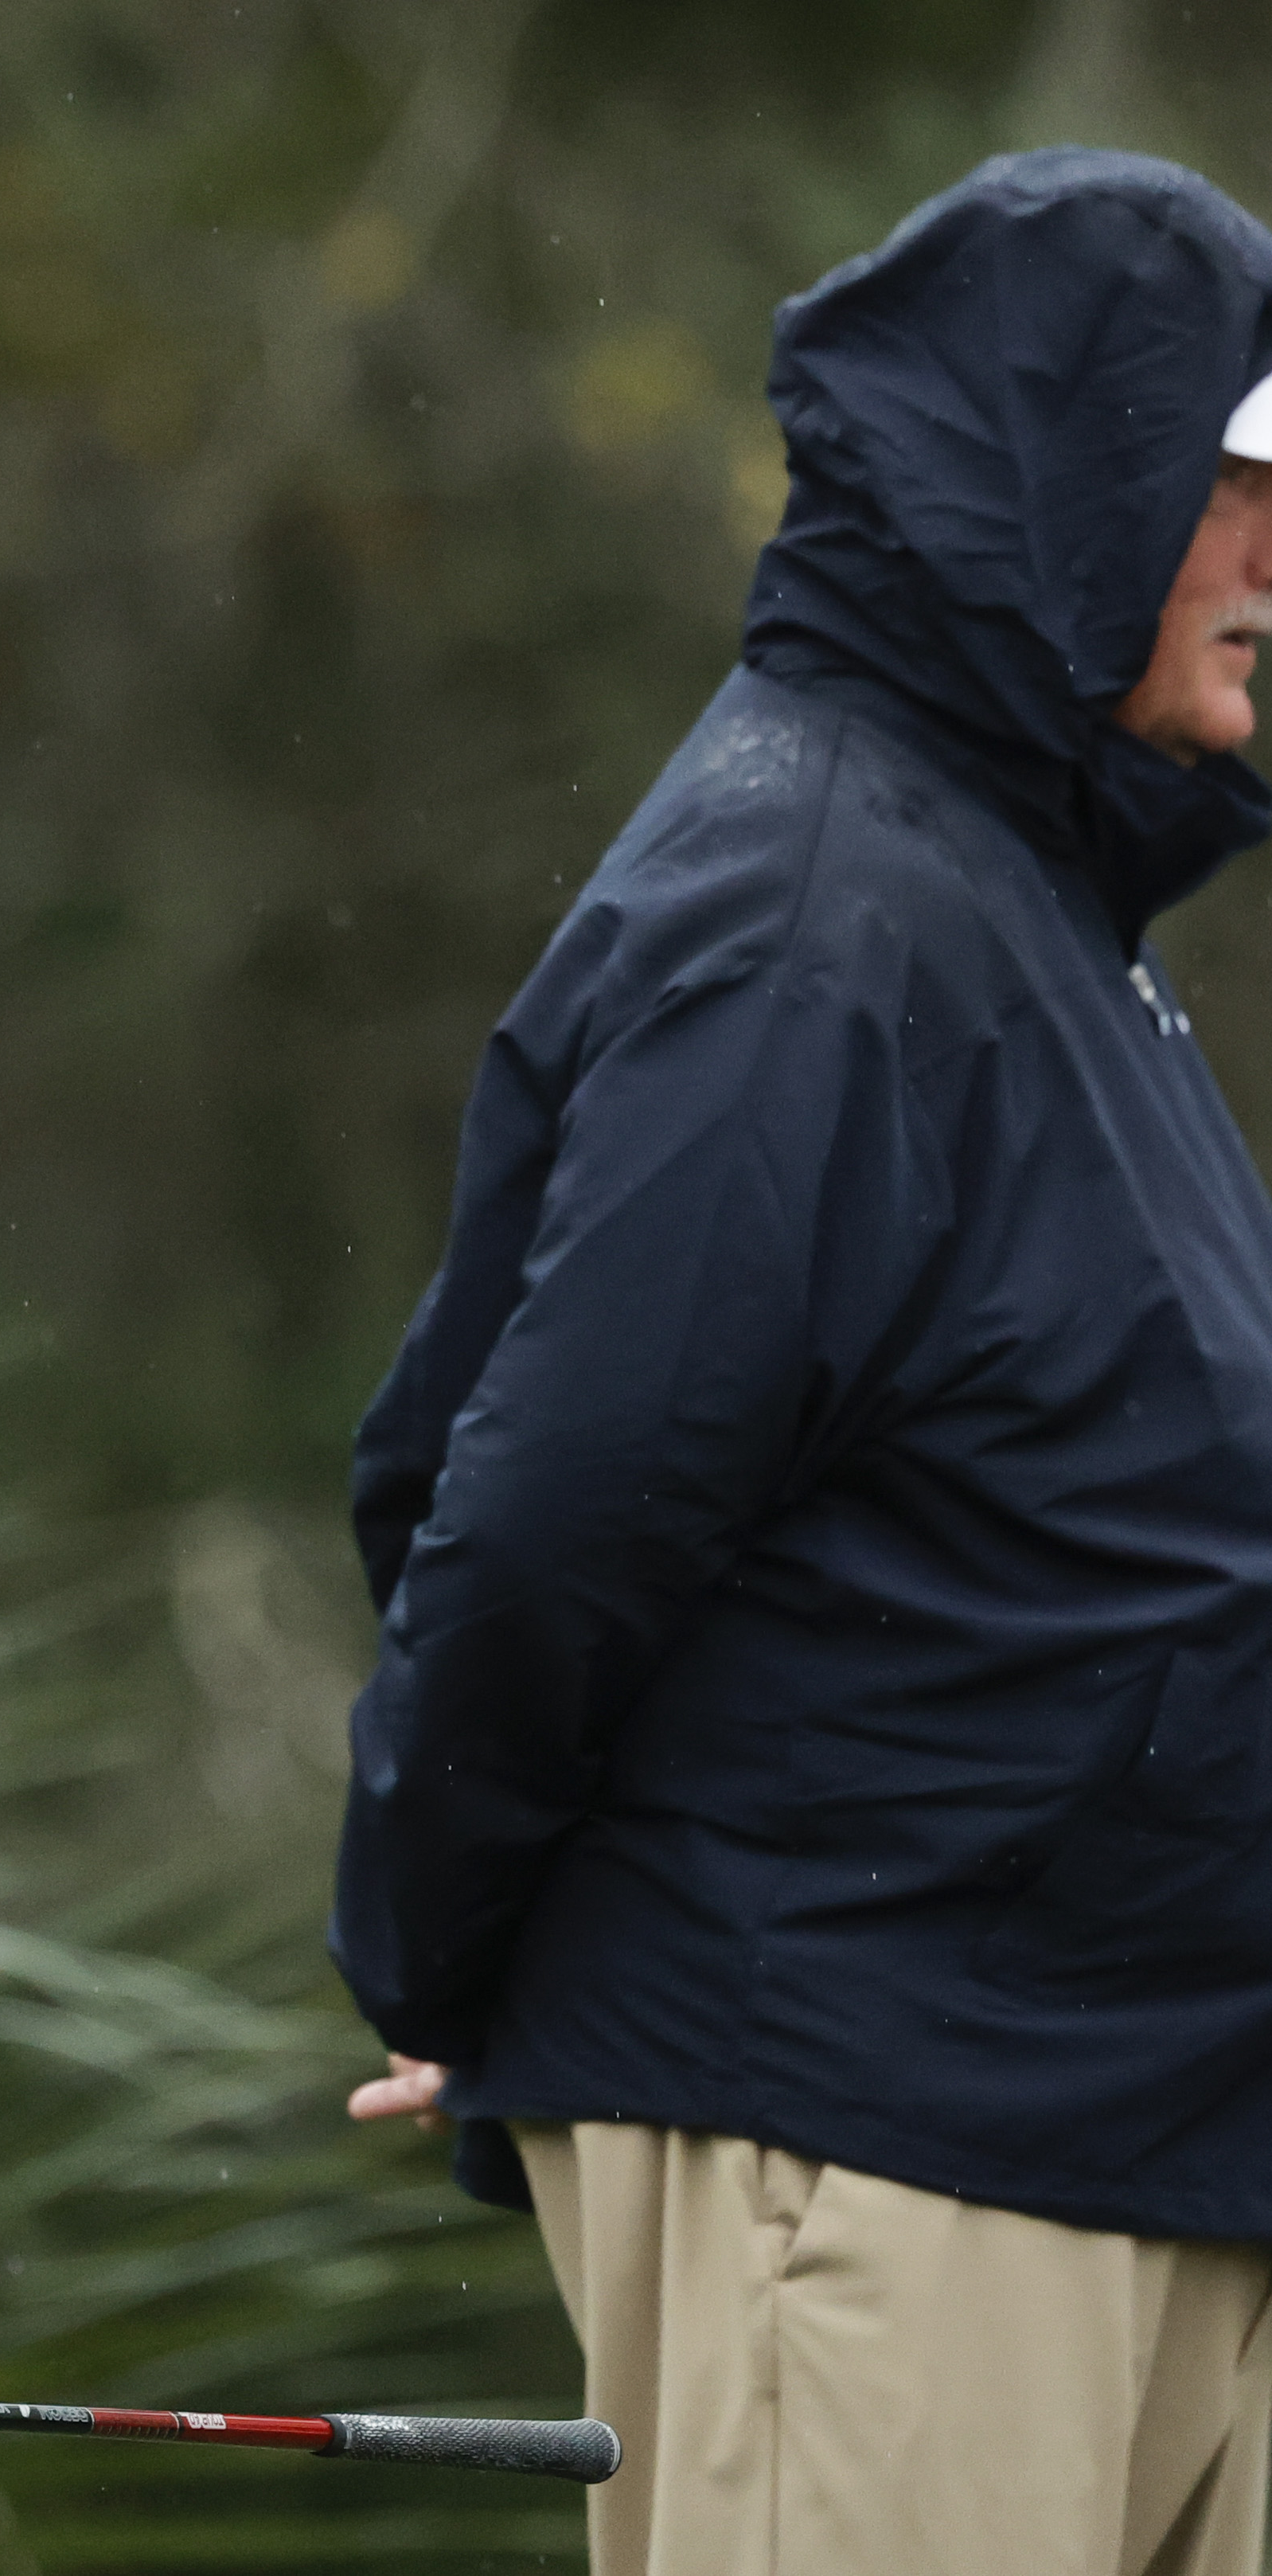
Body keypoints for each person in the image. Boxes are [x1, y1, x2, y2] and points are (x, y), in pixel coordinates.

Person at [334, 149, 1272, 2576]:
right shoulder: (818, 919)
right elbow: (534, 1516)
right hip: (872, 2132)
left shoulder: (1035, 908)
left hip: (1137, 2117)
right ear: (1064, 478)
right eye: (1236, 485)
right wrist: (463, 1948)